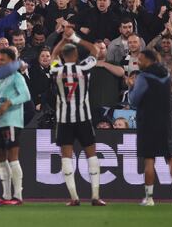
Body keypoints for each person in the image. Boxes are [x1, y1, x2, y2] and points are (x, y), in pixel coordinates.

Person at [50, 24, 106, 207]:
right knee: (91, 155)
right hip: (83, 118)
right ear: (75, 55)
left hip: (64, 120)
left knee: (66, 157)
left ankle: (74, 197)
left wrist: (63, 40)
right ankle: (95, 196)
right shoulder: (83, 68)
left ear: (63, 56)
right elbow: (95, 50)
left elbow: (52, 56)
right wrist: (74, 38)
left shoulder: (57, 70)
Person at [129, 49, 172, 206]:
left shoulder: (143, 77)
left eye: (141, 59)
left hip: (148, 123)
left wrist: (131, 87)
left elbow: (134, 101)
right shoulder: (166, 75)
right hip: (165, 122)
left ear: (149, 60)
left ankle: (149, 198)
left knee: (149, 160)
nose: (139, 62)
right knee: (171, 158)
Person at [0, 47, 30, 205]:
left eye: (3, 60)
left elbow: (26, 95)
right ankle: (6, 195)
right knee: (0, 157)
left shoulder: (16, 77)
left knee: (12, 157)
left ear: (12, 62)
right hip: (0, 122)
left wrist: (8, 103)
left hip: (13, 121)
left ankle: (18, 196)